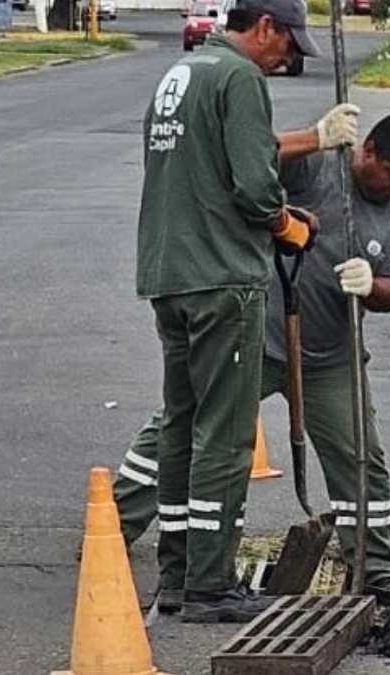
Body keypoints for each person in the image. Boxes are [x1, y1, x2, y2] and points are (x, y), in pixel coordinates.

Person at [116, 113, 390, 617]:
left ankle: (376, 568)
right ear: (366, 151)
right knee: (186, 425)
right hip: (257, 338)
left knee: (362, 459)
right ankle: (116, 519)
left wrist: (372, 285)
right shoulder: (316, 170)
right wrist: (316, 137)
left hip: (330, 357)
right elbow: (255, 164)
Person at [136, 0, 321, 624]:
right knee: (225, 431)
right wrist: (286, 224)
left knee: (182, 426)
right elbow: (253, 183)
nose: (287, 60)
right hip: (222, 277)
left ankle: (180, 573)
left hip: (170, 272)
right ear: (264, 27)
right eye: (287, 46)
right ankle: (213, 585)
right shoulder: (238, 77)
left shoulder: (181, 74)